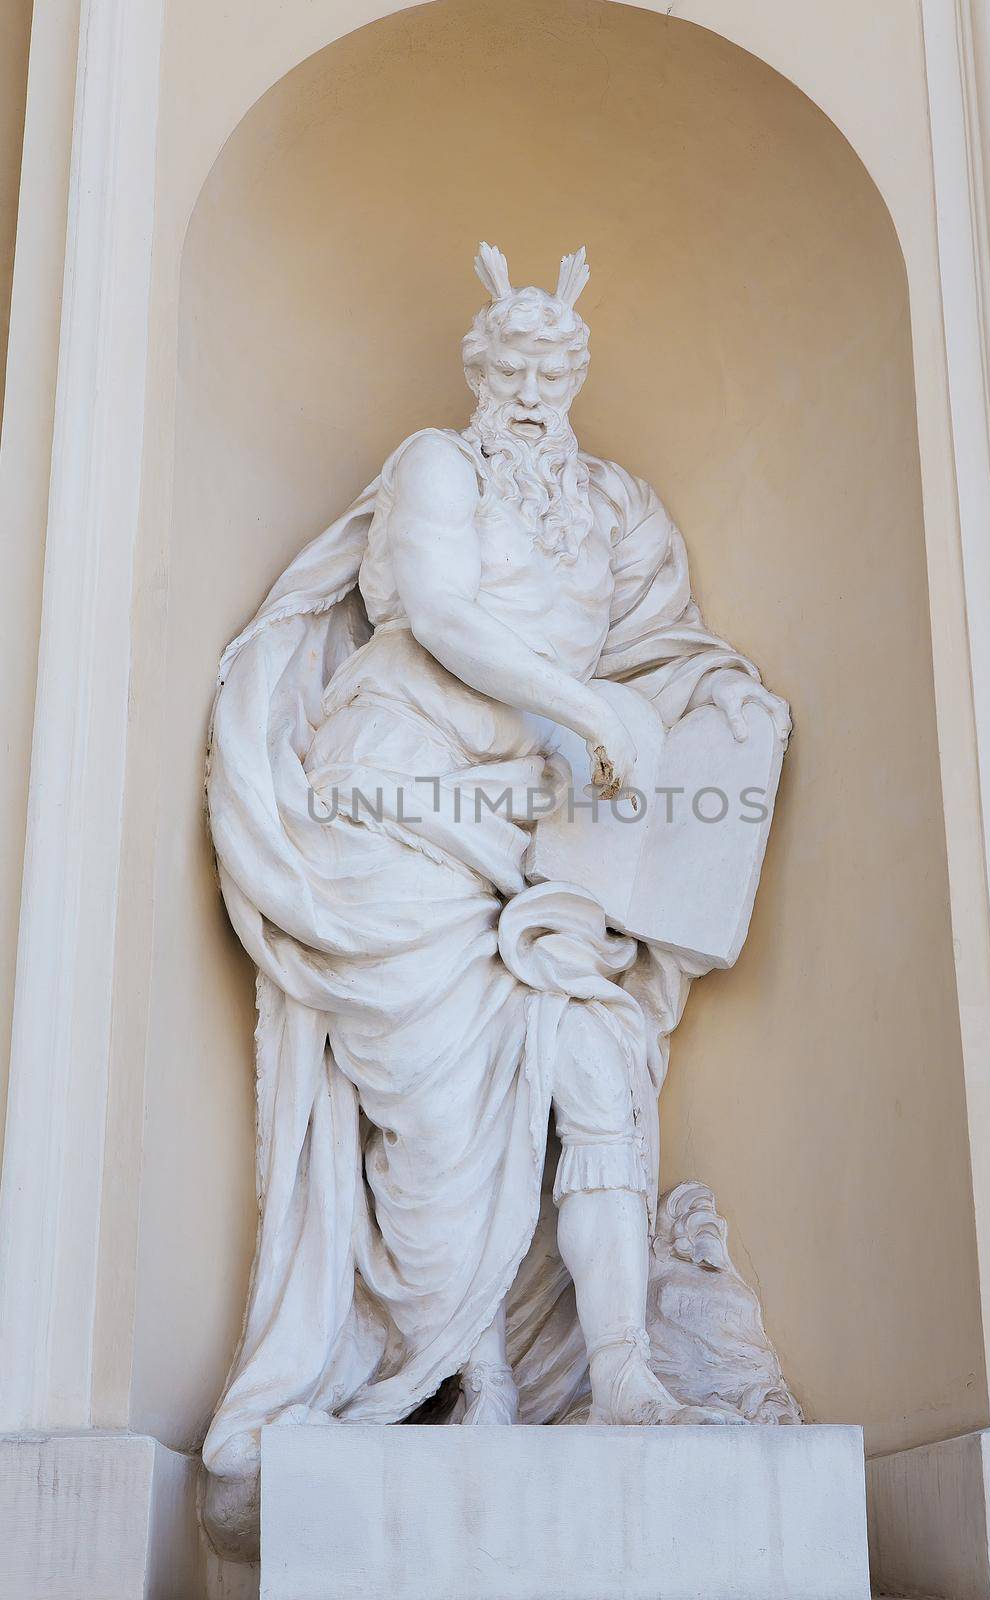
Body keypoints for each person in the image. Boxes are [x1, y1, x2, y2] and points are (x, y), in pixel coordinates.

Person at [202, 244, 790, 1552]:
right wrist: (585, 707)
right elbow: (442, 608)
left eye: (552, 363)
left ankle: (618, 1371)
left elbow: (664, 652)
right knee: (434, 1131)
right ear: (480, 370)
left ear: (577, 370)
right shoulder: (436, 468)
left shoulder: (618, 506)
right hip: (399, 801)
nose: (530, 384)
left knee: (595, 1062)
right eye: (509, 362)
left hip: (546, 836)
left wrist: (718, 705)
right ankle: (460, 1373)